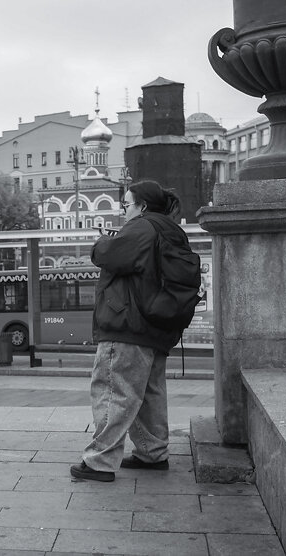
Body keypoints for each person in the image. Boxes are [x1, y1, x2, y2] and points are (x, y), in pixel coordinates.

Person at [71, 180, 188, 482]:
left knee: (113, 389)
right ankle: (153, 452)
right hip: (156, 326)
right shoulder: (170, 229)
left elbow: (108, 255)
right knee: (149, 393)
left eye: (126, 205)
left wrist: (100, 242)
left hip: (127, 325)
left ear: (142, 206)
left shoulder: (142, 227)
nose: (124, 210)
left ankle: (100, 461)